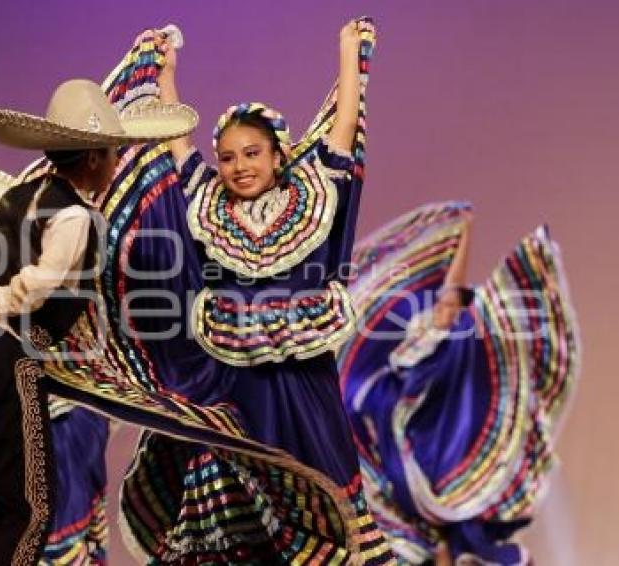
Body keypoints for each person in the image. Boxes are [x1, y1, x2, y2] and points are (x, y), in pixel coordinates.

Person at [35, 20, 397, 564]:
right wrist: (165, 78)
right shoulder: (207, 207)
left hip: (302, 389)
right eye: (228, 157)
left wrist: (349, 55)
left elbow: (344, 126)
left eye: (252, 154)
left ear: (278, 156)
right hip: (232, 391)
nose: (239, 167)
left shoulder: (315, 196)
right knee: (234, 522)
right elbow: (176, 141)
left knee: (318, 508)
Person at [0, 78, 197, 566]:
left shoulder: (10, 199)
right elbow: (42, 279)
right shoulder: (74, 217)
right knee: (28, 510)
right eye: (113, 154)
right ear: (94, 158)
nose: (117, 165)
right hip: (10, 363)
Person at [338, 202, 580, 565]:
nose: (450, 309)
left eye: (456, 304)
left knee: (458, 527)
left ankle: (453, 545)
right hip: (405, 464)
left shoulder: (455, 347)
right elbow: (447, 294)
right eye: (445, 305)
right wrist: (460, 230)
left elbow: (453, 297)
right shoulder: (415, 347)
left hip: (436, 463)